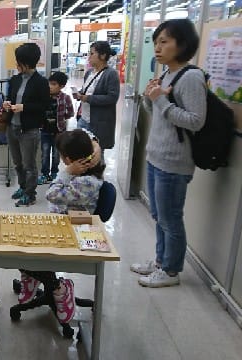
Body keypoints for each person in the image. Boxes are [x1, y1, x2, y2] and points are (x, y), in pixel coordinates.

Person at [131, 19, 206, 288]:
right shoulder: (166, 75)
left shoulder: (192, 77)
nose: (158, 48)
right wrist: (151, 98)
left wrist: (160, 100)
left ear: (182, 44)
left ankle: (171, 271)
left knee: (170, 217)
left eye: (164, 41)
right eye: (156, 42)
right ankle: (161, 260)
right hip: (156, 156)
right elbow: (160, 115)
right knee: (158, 216)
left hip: (174, 163)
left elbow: (196, 121)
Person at [17, 129, 105, 325]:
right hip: (58, 222)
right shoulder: (91, 161)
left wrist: (66, 173)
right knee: (18, 241)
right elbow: (86, 132)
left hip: (73, 232)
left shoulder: (86, 182)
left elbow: (51, 194)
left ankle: (60, 288)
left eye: (62, 157)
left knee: (23, 253)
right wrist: (96, 145)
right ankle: (32, 275)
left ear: (69, 159)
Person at [3, 43, 50, 207]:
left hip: (28, 130)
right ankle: (23, 188)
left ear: (28, 62)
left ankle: (30, 194)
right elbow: (9, 97)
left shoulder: (41, 82)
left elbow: (45, 106)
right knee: (18, 163)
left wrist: (24, 107)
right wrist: (7, 104)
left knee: (29, 165)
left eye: (19, 62)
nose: (17, 65)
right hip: (12, 127)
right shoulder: (15, 79)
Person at [72, 41, 120, 155]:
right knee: (80, 153)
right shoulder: (89, 73)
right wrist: (79, 94)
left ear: (102, 56)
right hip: (83, 119)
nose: (89, 57)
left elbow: (112, 98)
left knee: (96, 155)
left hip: (98, 123)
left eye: (92, 53)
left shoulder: (111, 74)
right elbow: (86, 90)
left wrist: (87, 98)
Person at [38, 71, 75, 185]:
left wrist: (62, 119)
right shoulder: (43, 96)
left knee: (56, 154)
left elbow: (71, 113)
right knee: (44, 153)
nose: (50, 87)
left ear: (62, 86)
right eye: (50, 84)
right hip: (44, 130)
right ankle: (44, 174)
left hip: (59, 132)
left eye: (54, 84)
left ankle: (54, 173)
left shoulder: (65, 98)